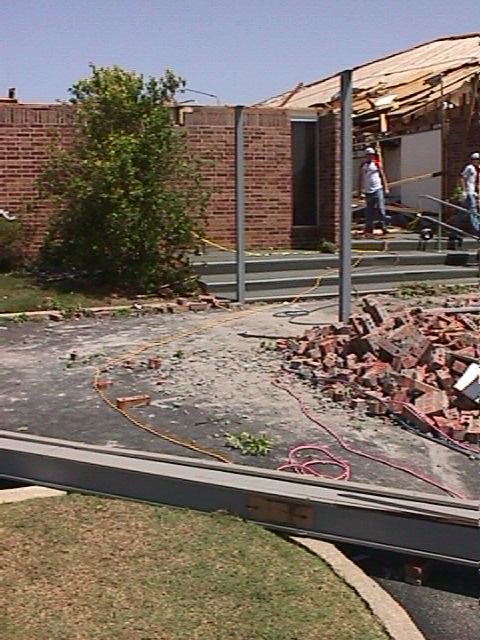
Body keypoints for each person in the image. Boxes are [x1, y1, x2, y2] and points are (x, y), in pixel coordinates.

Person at [357, 147, 390, 236]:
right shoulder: (363, 165)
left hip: (377, 189)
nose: (370, 157)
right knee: (369, 211)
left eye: (371, 155)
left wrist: (385, 187)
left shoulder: (376, 164)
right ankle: (369, 228)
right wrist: (359, 191)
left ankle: (384, 226)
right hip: (368, 191)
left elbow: (382, 175)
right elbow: (360, 178)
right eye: (368, 155)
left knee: (380, 209)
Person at [449, 152, 480, 243]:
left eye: (477, 159)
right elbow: (462, 177)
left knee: (461, 213)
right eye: (474, 159)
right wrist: (463, 191)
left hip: (474, 193)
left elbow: (477, 182)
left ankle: (453, 231)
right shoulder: (469, 167)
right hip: (469, 192)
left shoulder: (478, 169)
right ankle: (477, 231)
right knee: (473, 211)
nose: (476, 161)